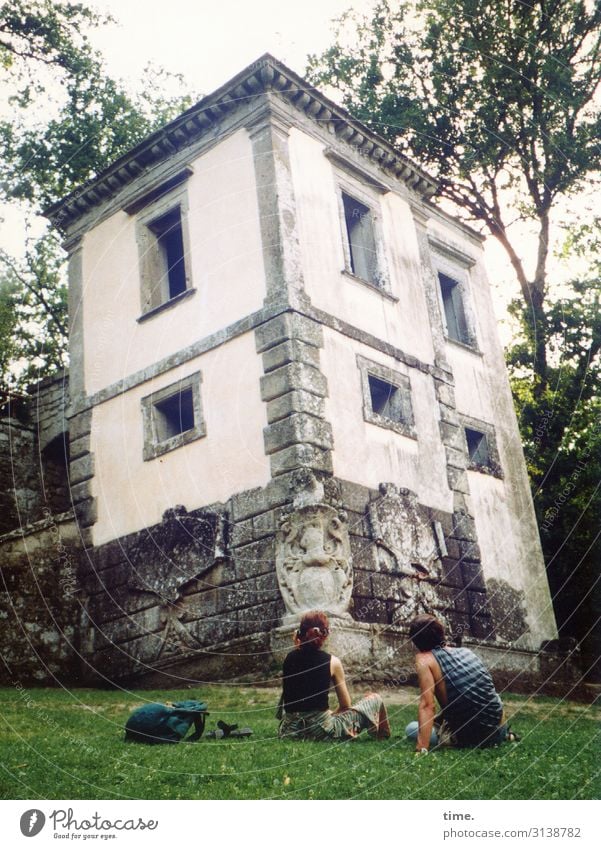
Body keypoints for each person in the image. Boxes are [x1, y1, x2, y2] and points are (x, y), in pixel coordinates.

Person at [406, 613, 513, 753]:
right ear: (441, 632)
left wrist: (421, 748)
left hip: (475, 738)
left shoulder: (424, 659)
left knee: (411, 729)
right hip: (499, 726)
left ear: (416, 641)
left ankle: (470, 737)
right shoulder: (466, 652)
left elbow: (427, 705)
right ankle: (505, 736)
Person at [278, 610, 390, 741]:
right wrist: (330, 715)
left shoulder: (288, 658)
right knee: (374, 698)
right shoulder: (333, 662)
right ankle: (382, 737)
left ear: (300, 633)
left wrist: (298, 642)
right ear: (324, 635)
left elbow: (301, 659)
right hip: (320, 730)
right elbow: (345, 705)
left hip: (290, 731)